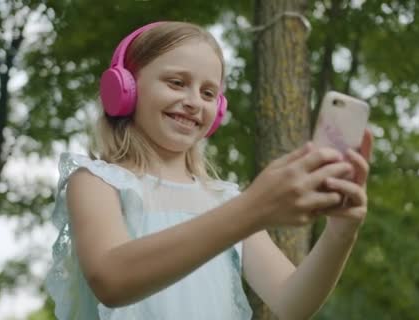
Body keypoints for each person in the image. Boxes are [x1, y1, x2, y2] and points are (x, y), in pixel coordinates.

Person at [45, 21, 373, 320]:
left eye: (208, 93)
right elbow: (111, 280)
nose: (194, 101)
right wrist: (253, 208)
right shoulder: (96, 181)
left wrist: (340, 233)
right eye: (176, 83)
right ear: (124, 89)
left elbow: (291, 302)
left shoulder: (225, 200)